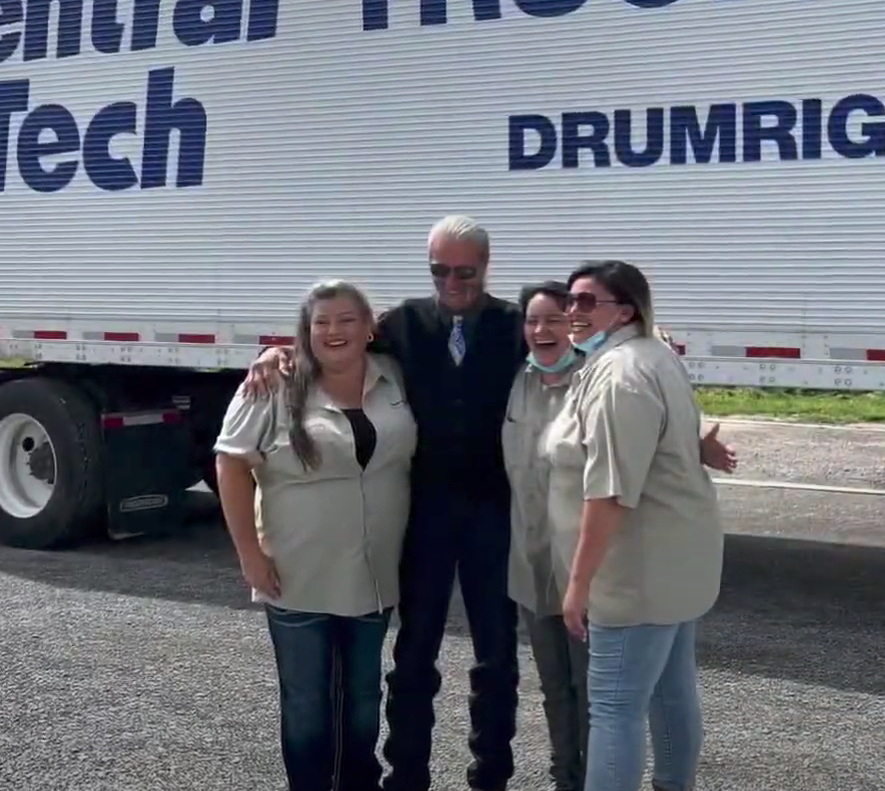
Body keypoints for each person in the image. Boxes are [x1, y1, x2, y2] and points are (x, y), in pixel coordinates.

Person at [245, 215, 526, 791]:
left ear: (485, 266)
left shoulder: (515, 324)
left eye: (464, 271)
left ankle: (490, 773)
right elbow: (331, 342)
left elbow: (573, 359)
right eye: (438, 270)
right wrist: (276, 353)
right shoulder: (402, 323)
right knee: (414, 655)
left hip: (494, 515)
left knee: (496, 656)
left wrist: (648, 341)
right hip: (422, 517)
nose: (451, 282)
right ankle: (406, 776)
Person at [501, 281, 736, 791]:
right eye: (572, 302)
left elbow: (608, 491)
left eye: (588, 302)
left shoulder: (617, 375)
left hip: (631, 571)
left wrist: (580, 583)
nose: (573, 313)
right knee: (670, 690)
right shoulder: (648, 356)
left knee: (613, 708)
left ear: (624, 310)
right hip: (667, 565)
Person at [213, 279, 415, 791]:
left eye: (347, 319)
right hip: (298, 576)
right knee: (307, 704)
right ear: (306, 331)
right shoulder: (272, 385)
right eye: (321, 321)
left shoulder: (394, 377)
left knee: (364, 702)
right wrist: (249, 556)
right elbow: (230, 465)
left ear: (369, 328)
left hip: (373, 576)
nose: (334, 331)